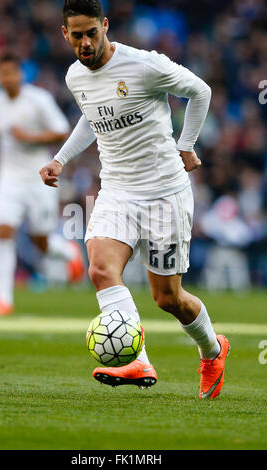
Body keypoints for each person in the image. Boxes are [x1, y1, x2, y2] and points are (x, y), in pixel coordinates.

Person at [40, 0, 230, 399]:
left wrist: (187, 145)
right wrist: (61, 159)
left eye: (93, 32)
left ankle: (213, 350)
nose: (86, 43)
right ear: (65, 35)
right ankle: (139, 359)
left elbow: (200, 90)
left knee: (169, 299)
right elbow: (93, 118)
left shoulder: (144, 65)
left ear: (105, 26)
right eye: (77, 36)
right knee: (100, 269)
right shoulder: (76, 76)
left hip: (164, 193)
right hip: (117, 192)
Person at [0, 53, 86, 317]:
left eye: (11, 72)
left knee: (40, 241)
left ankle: (68, 253)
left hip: (38, 177)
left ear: (21, 74)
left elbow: (61, 131)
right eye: (2, 73)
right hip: (8, 178)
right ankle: (2, 299)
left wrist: (29, 137)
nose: (6, 78)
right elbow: (1, 139)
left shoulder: (39, 99)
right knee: (2, 230)